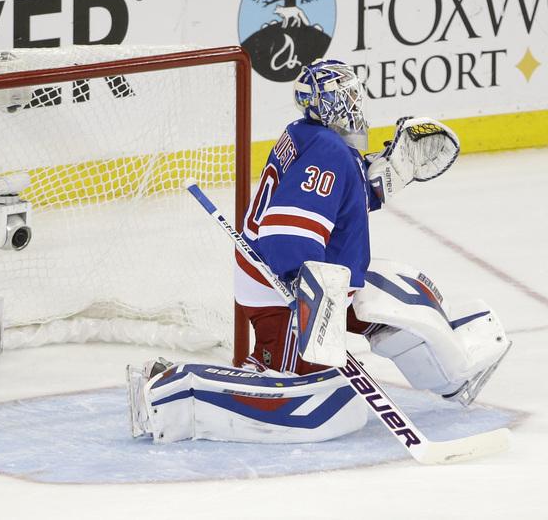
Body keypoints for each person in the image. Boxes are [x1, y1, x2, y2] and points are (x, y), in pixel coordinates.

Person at [128, 60, 510, 444]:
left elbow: (336, 195)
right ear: (337, 104)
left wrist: (383, 175)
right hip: (286, 293)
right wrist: (307, 290)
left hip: (315, 278)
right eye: (351, 97)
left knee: (403, 294)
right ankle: (168, 389)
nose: (359, 104)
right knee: (319, 405)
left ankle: (452, 376)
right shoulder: (329, 152)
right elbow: (286, 230)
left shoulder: (309, 135)